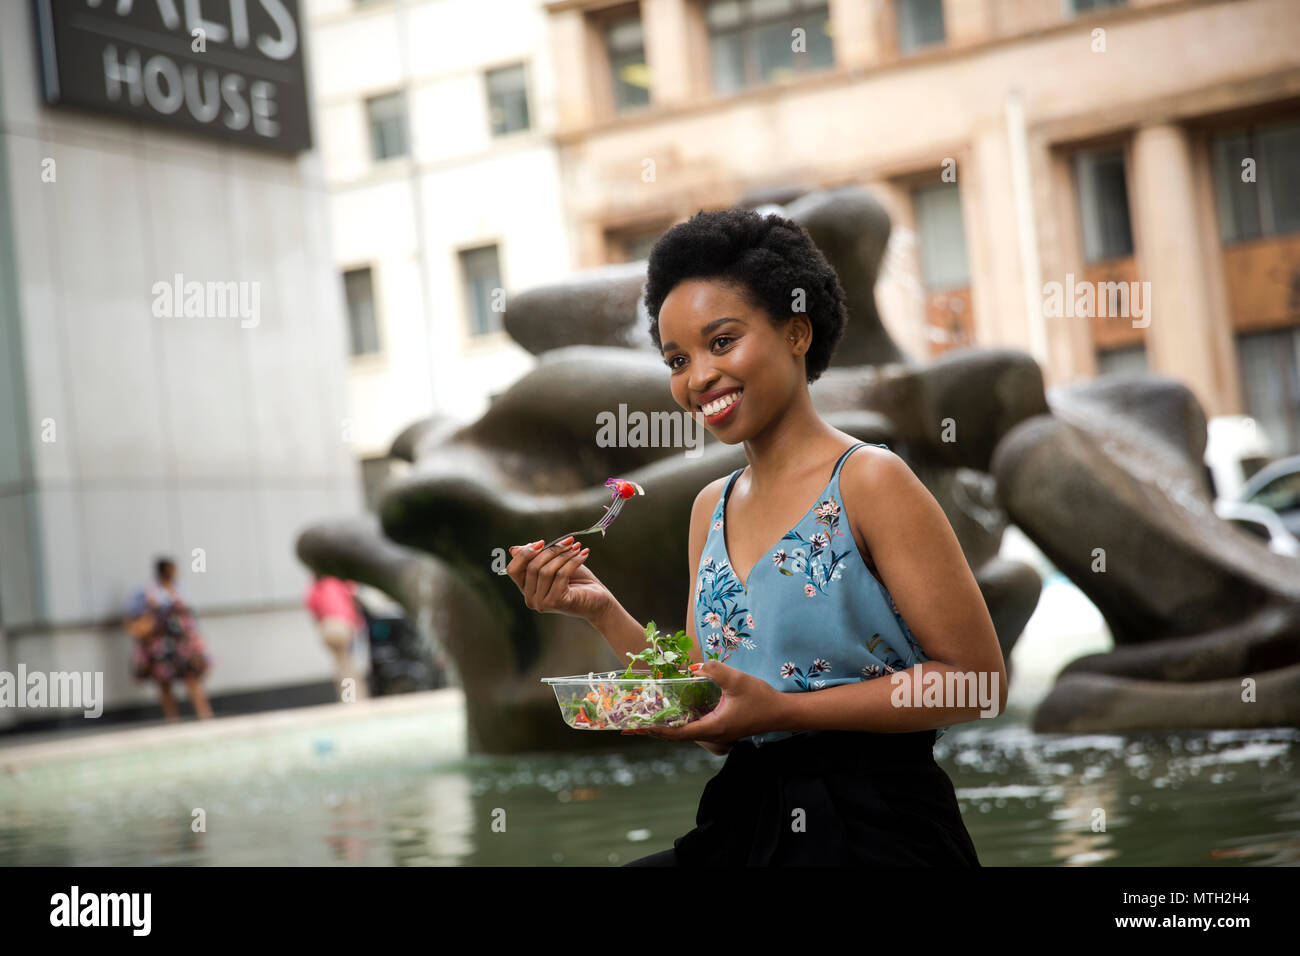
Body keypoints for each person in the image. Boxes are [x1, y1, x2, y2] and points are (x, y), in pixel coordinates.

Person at [503, 207, 1007, 866]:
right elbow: (708, 709)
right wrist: (601, 610)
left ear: (796, 332)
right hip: (743, 821)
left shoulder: (871, 481)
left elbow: (977, 683)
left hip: (876, 827)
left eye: (722, 342)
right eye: (677, 359)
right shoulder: (709, 508)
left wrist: (785, 711)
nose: (698, 378)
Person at [125, 557, 214, 721]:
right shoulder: (147, 591)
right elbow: (135, 618)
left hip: (182, 643)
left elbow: (188, 616)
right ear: (163, 570)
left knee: (191, 677)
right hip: (161, 644)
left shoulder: (178, 589)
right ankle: (172, 719)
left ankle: (204, 715)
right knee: (164, 682)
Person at [304, 573, 368, 701]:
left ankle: (347, 698)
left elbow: (311, 606)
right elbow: (355, 599)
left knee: (341, 665)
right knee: (349, 665)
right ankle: (353, 699)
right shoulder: (342, 581)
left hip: (328, 627)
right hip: (344, 625)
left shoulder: (317, 585)